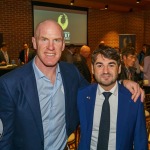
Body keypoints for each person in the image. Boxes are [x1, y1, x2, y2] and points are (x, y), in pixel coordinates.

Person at [0, 20, 144, 150]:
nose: (51, 47)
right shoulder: (10, 83)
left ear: (63, 44)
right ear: (34, 42)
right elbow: (5, 138)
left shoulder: (70, 72)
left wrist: (121, 82)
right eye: (44, 39)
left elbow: (94, 89)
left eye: (56, 40)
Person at [77, 46, 148, 150]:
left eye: (111, 65)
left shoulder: (134, 98)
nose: (105, 71)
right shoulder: (82, 95)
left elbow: (140, 141)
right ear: (92, 68)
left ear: (119, 69)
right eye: (100, 65)